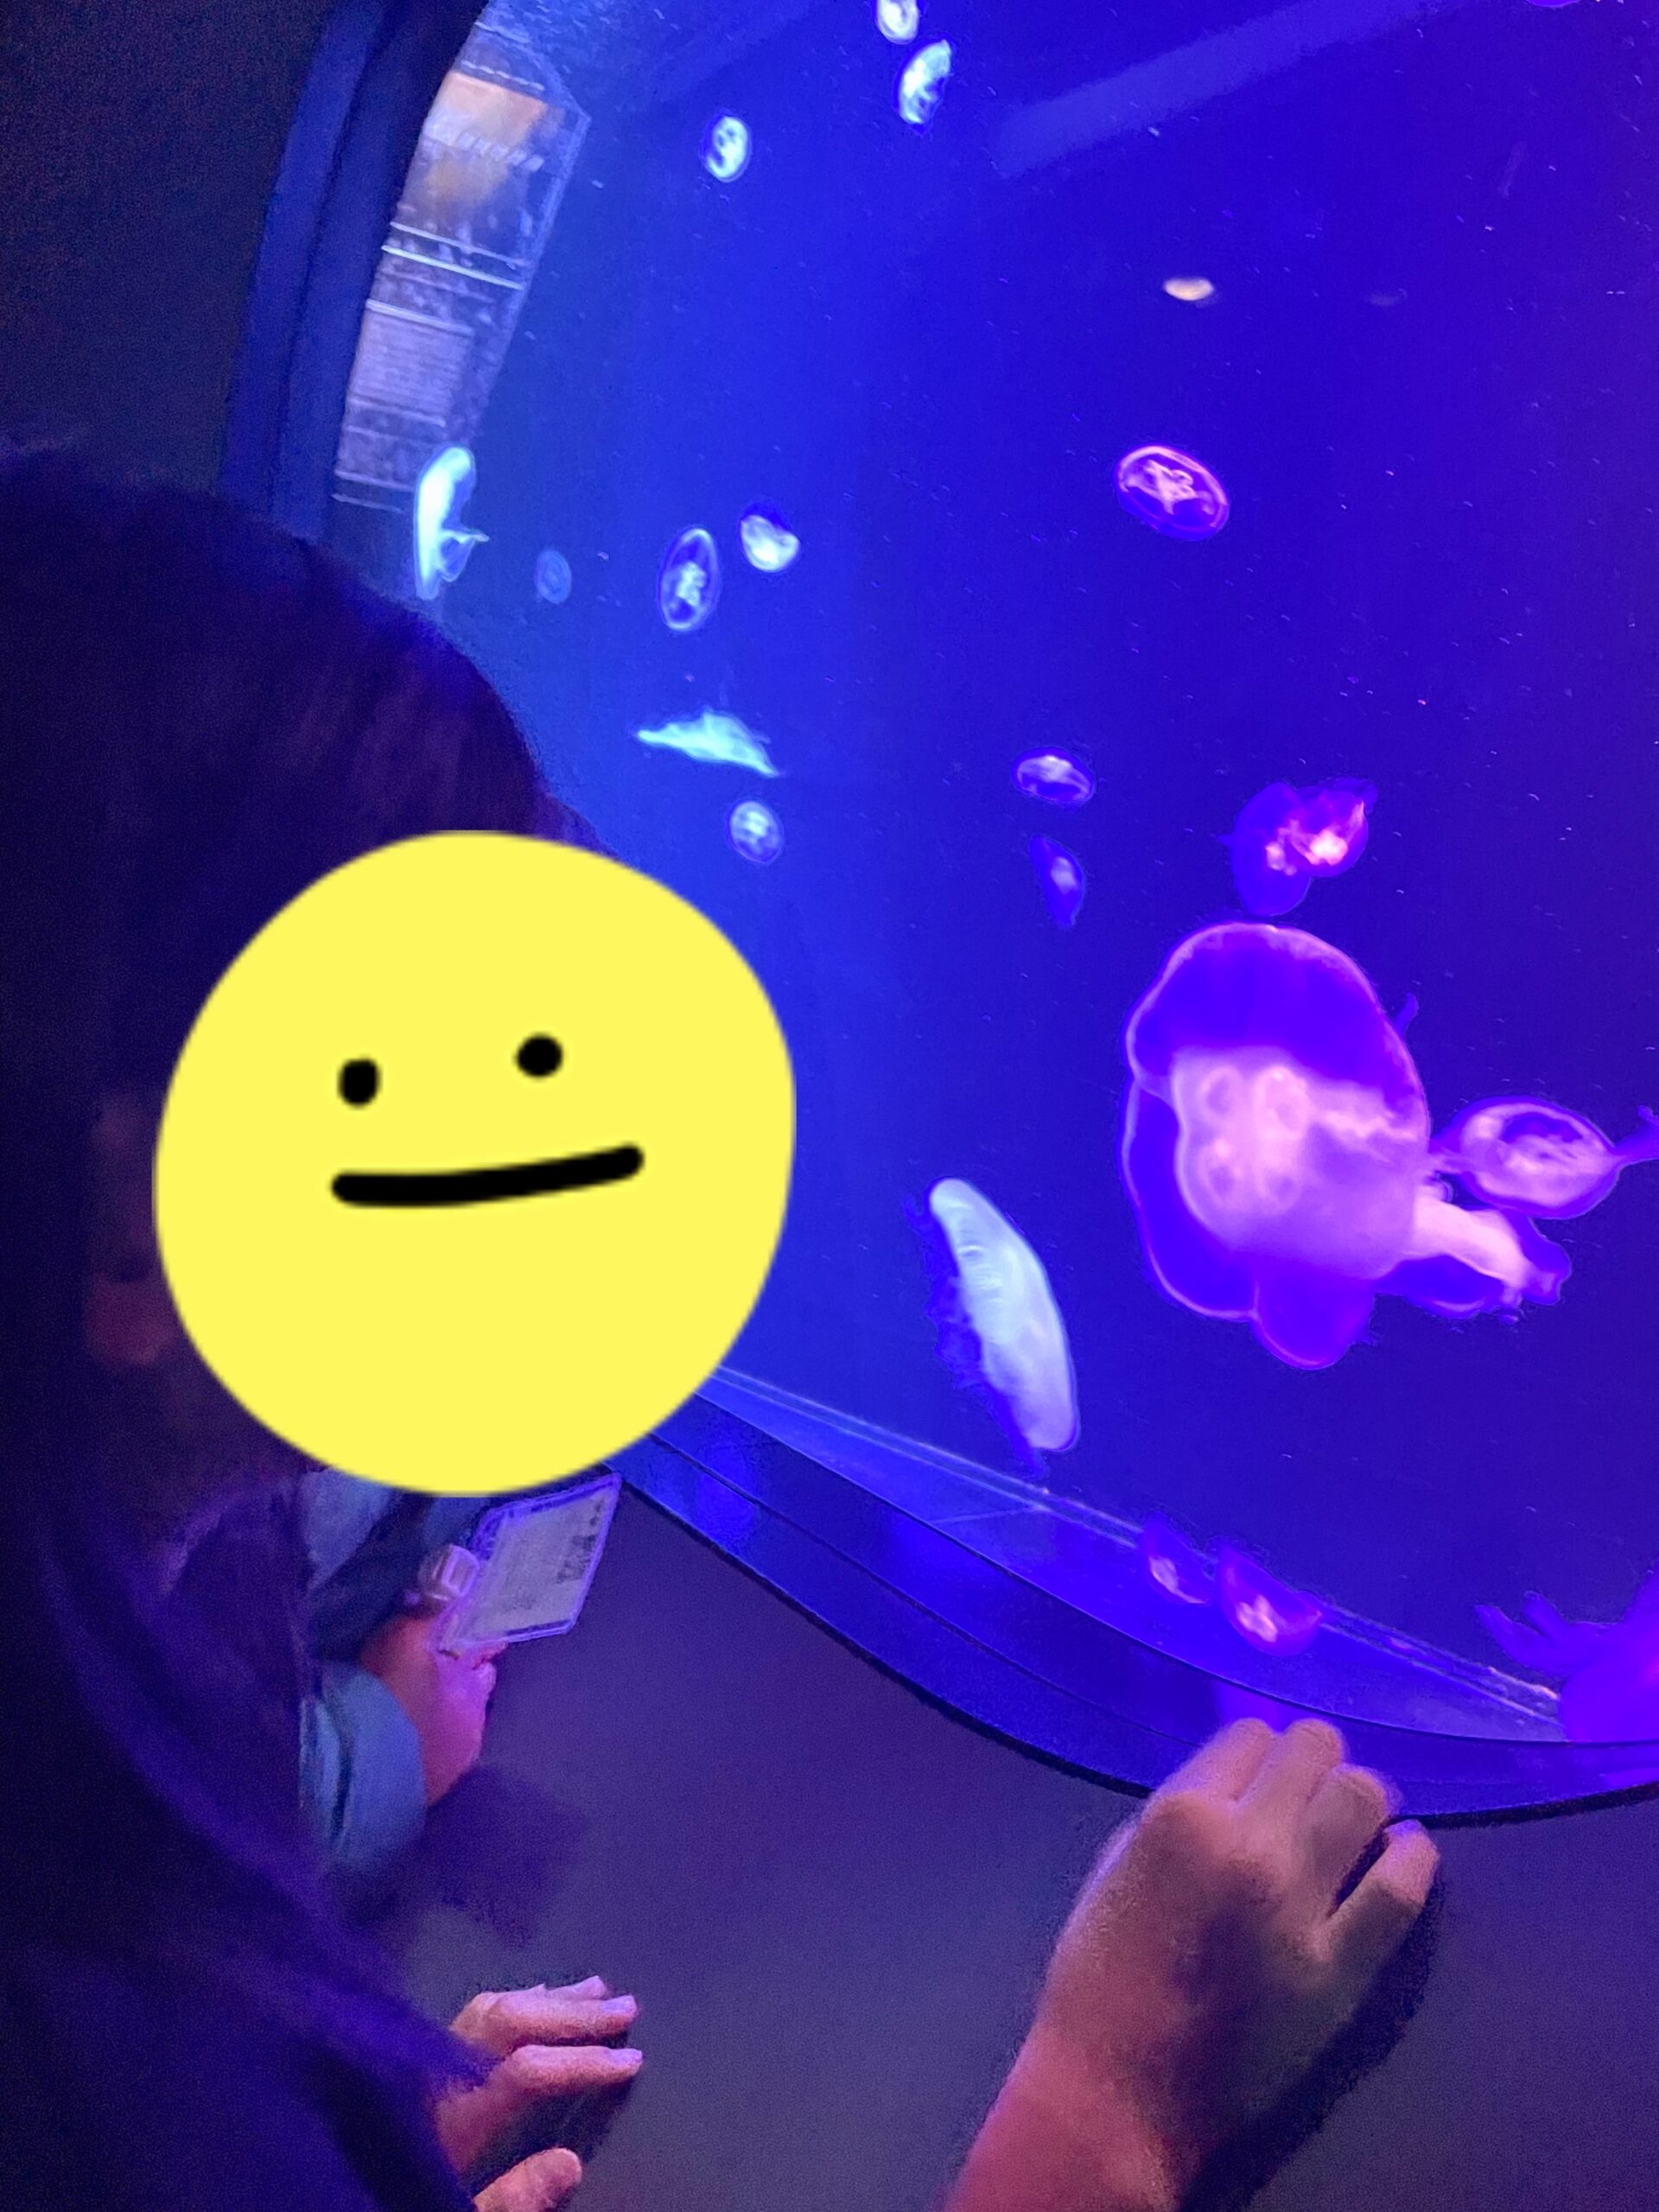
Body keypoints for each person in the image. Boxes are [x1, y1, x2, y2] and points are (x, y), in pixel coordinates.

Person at [0, 442, 1439, 2211]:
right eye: (459, 1039)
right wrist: (1108, 2104)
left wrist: (346, 2154)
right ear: (138, 1213)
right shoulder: (76, 2061)